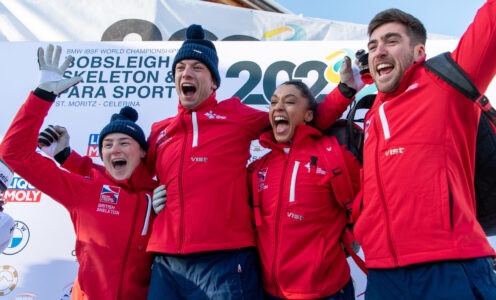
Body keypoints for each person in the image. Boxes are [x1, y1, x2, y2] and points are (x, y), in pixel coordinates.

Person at [145, 24, 363, 299]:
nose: (186, 73)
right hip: (167, 261)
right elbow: (131, 179)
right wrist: (148, 197)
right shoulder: (159, 130)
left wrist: (343, 90)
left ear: (213, 82)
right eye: (181, 68)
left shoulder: (235, 115)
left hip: (223, 258)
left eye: (197, 67)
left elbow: (298, 123)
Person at [352, 3, 496, 299]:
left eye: (391, 41)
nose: (378, 50)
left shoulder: (446, 83)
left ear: (419, 52)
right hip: (381, 273)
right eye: (372, 45)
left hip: (449, 263)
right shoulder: (372, 113)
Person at [0, 44, 157, 299]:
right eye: (107, 144)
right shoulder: (86, 190)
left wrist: (68, 157)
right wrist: (42, 95)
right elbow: (13, 153)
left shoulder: (160, 194)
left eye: (124, 143)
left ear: (142, 152)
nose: (114, 149)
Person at [246, 80, 361, 299]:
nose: (278, 107)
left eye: (289, 102)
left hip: (326, 292)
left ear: (308, 116)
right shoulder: (257, 168)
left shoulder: (334, 157)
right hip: (270, 293)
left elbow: (372, 203)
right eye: (273, 103)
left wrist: (349, 238)